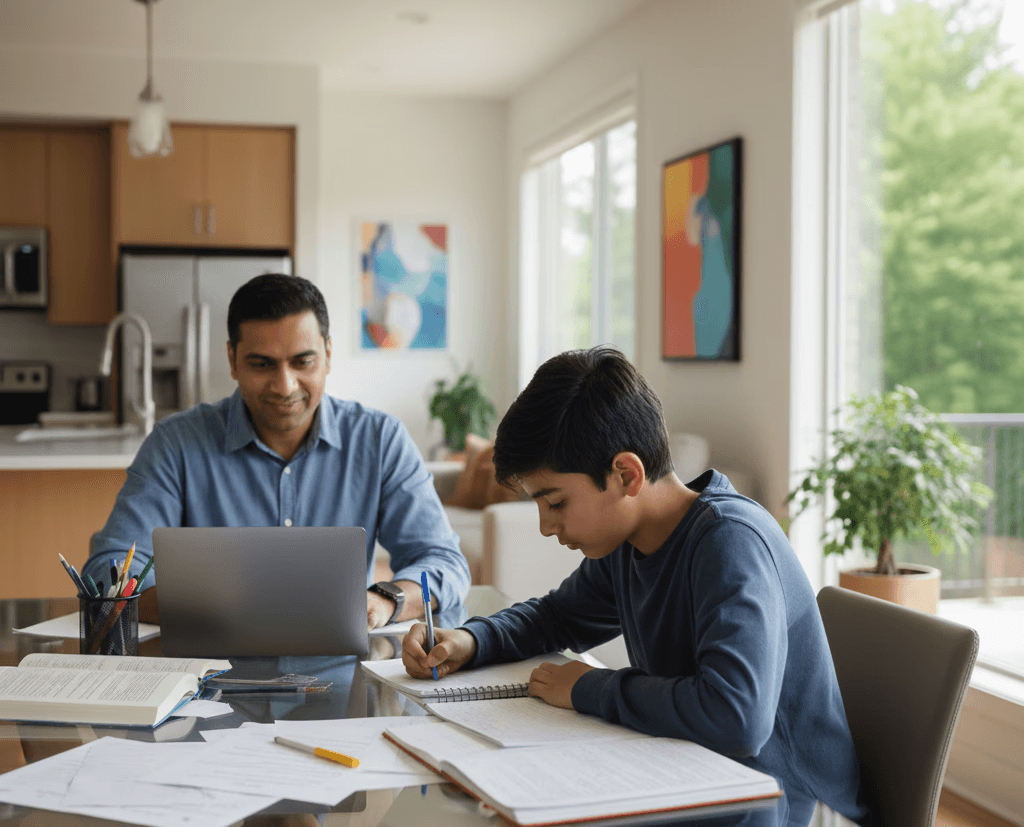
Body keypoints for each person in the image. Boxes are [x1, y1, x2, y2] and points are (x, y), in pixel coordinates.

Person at [401, 346, 870, 824]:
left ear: (626, 474)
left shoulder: (729, 543)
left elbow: (736, 718)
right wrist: (471, 639)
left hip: (787, 805)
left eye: (555, 502)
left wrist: (590, 689)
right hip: (695, 779)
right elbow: (557, 617)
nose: (545, 526)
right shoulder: (629, 542)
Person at [84, 273, 470, 629]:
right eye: (262, 364)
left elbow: (445, 563)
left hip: (343, 675)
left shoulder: (380, 439)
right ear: (233, 360)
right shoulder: (175, 444)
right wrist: (210, 607)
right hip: (209, 677)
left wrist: (386, 599)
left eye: (303, 361)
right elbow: (109, 569)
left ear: (328, 355)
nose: (285, 386)